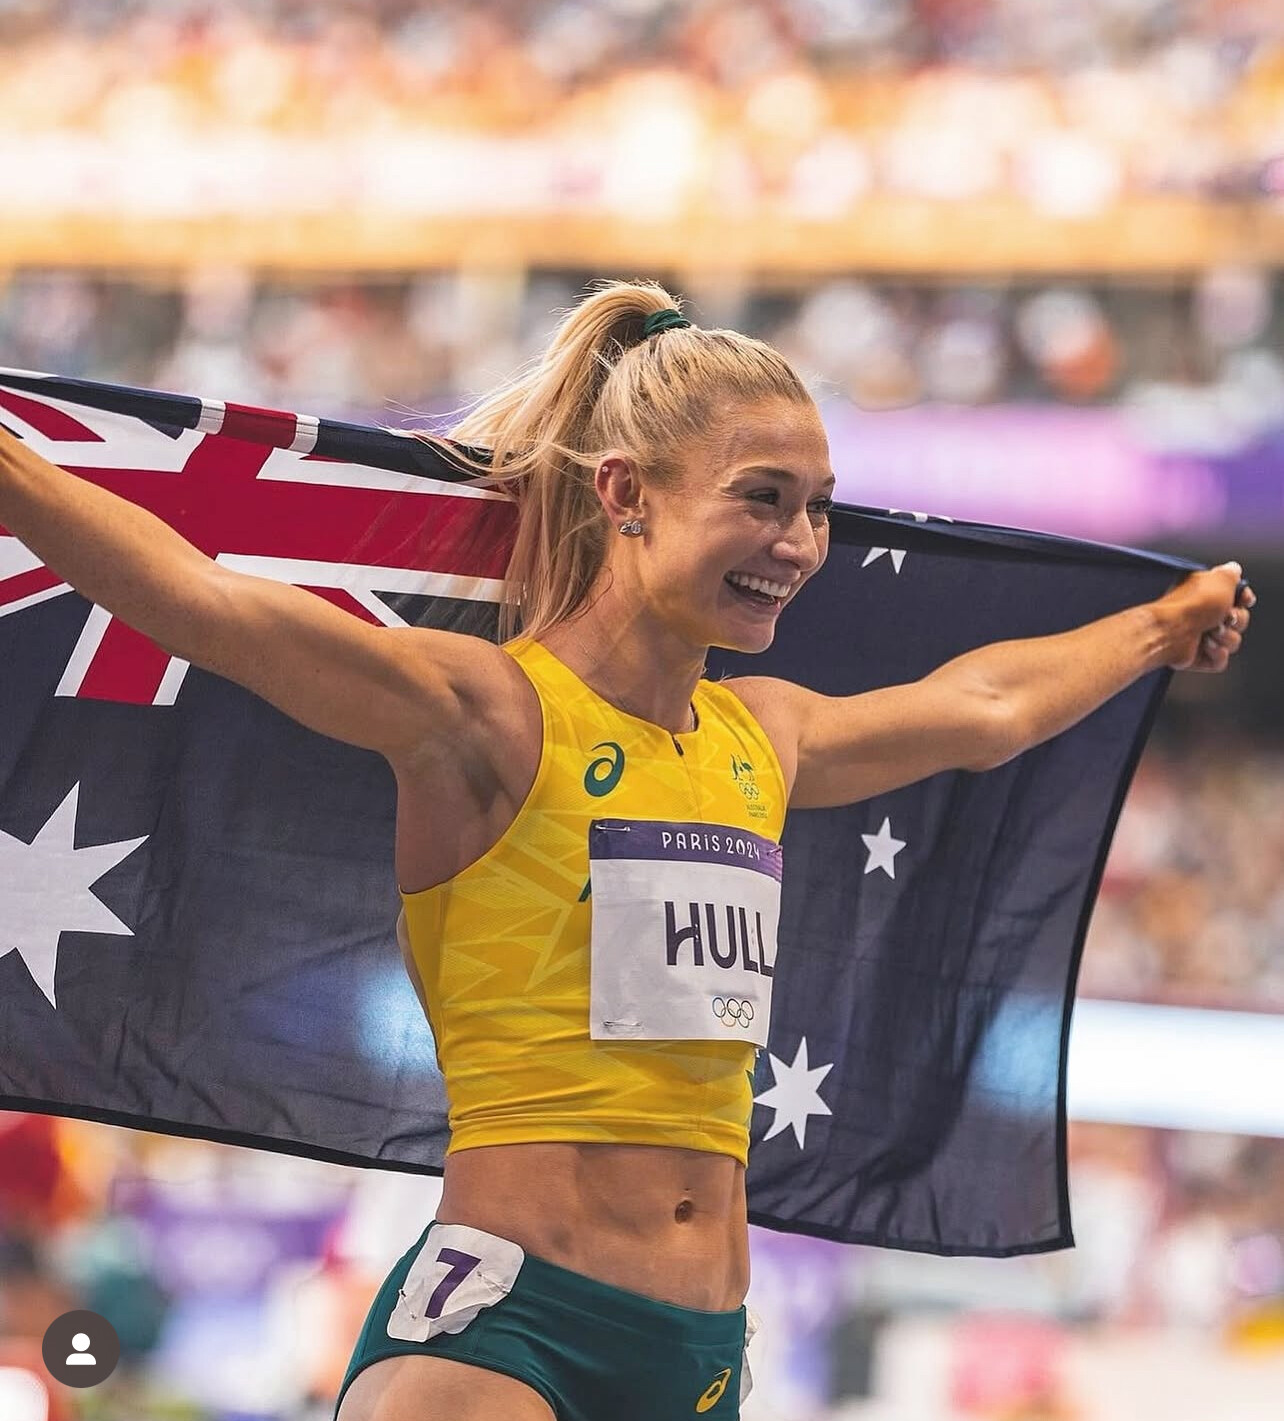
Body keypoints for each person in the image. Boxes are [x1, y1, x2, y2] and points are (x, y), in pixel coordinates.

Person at [0, 281, 1254, 1421]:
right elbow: (205, 603)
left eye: (817, 506)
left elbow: (986, 709)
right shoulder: (485, 715)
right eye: (761, 497)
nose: (799, 543)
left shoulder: (764, 736)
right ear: (625, 494)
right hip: (505, 1339)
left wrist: (1158, 627)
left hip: (698, 1356)